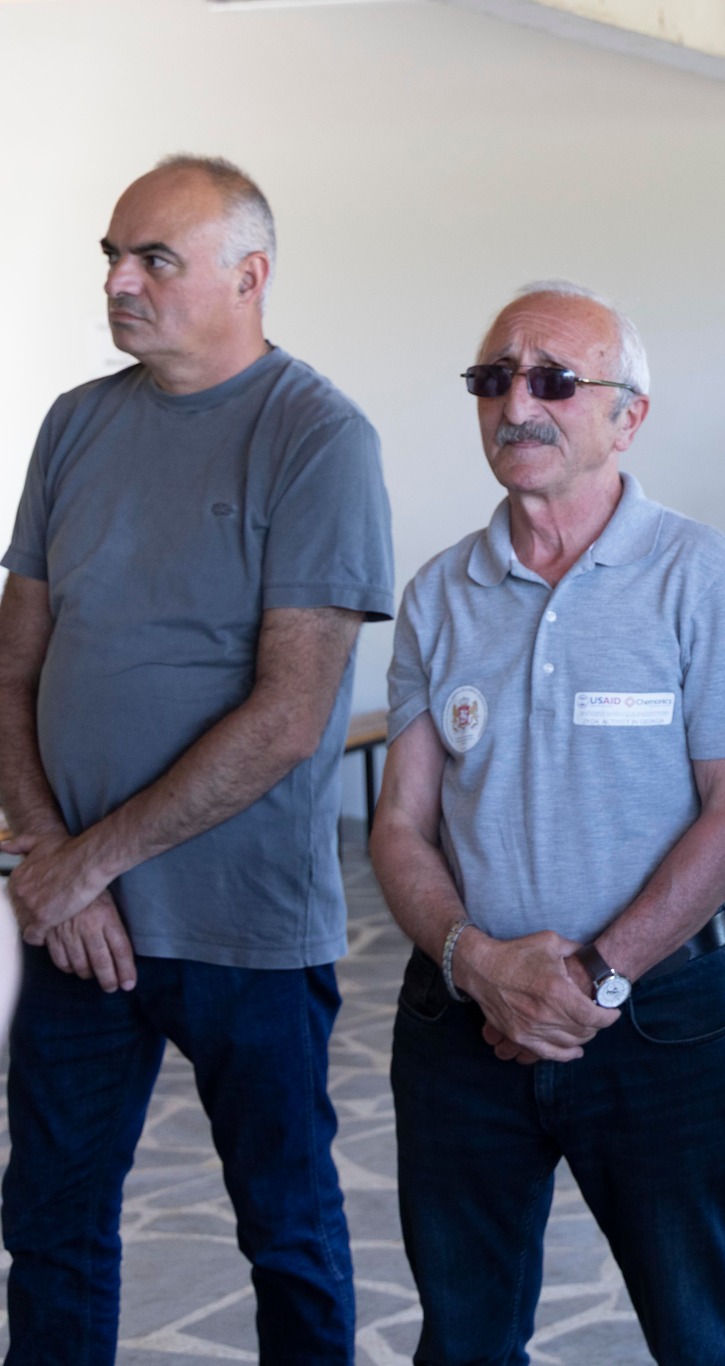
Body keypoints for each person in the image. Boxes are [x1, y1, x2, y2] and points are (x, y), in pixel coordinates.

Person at [0, 154, 391, 1363]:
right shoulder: (75, 422)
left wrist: (84, 865)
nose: (119, 281)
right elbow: (10, 672)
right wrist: (55, 864)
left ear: (248, 275)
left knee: (287, 1229)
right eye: (113, 257)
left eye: (154, 259)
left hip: (244, 930)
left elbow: (288, 716)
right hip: (77, 929)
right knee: (50, 1223)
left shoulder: (317, 435)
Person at [370, 281, 725, 1366]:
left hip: (654, 1021)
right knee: (463, 1343)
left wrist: (588, 981)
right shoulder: (439, 593)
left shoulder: (696, 573)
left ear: (626, 416)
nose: (517, 403)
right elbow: (401, 824)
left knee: (699, 1337)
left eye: (554, 380)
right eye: (493, 378)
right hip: (462, 1023)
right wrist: (480, 965)